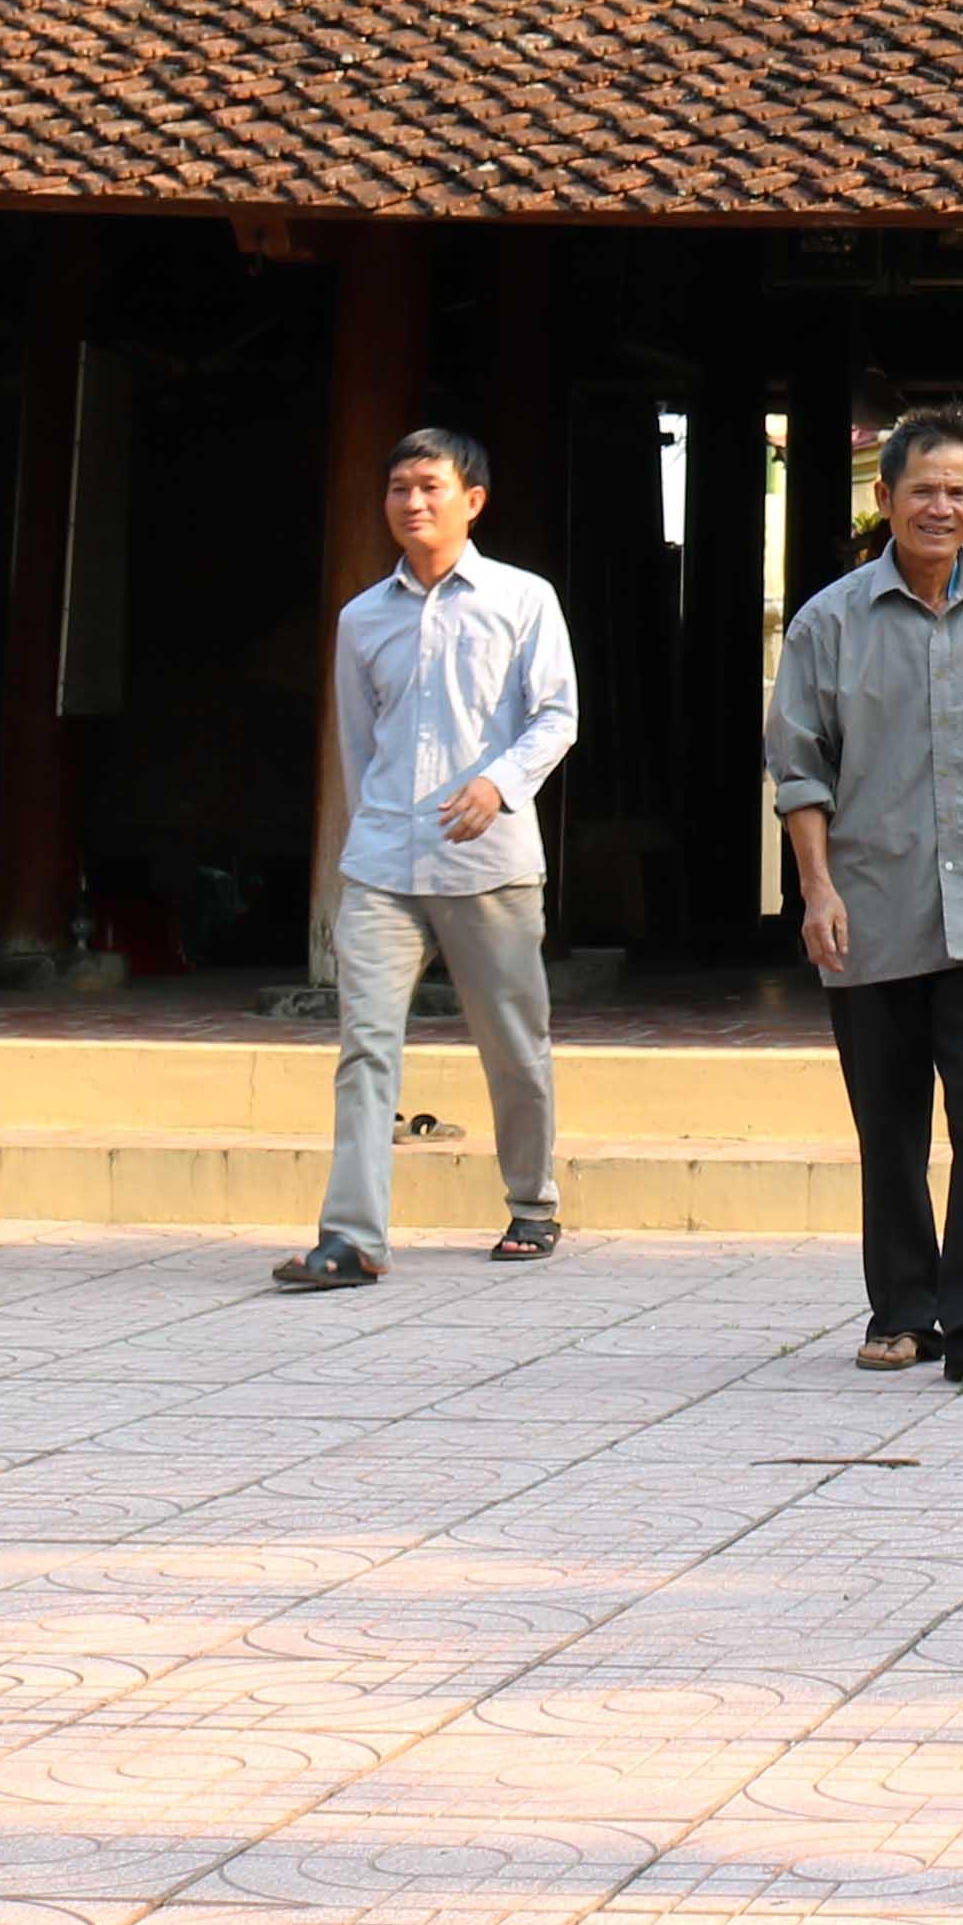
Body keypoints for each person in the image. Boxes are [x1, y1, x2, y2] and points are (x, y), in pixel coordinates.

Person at [771, 409, 963, 1387]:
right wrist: (815, 891)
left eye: (957, 491)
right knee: (889, 1123)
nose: (939, 506)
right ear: (885, 500)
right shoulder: (829, 624)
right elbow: (801, 772)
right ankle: (903, 1311)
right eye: (921, 490)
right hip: (866, 909)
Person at [275, 425, 575, 1292]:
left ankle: (532, 1202)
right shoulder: (361, 618)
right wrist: (374, 830)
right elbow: (359, 744)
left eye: (430, 487)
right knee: (365, 1046)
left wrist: (498, 784)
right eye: (399, 487)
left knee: (514, 1044)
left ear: (472, 501)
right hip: (382, 865)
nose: (412, 502)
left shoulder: (524, 600)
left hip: (491, 863)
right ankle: (353, 1237)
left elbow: (556, 716)